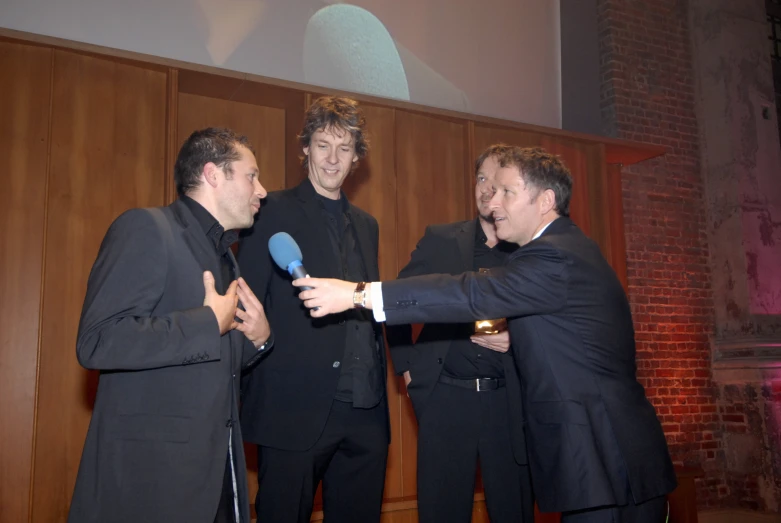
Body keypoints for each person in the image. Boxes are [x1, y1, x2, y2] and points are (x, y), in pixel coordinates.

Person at [293, 146, 678, 523]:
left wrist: (357, 293)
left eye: (508, 192)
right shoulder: (569, 247)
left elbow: (469, 293)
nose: (495, 201)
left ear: (545, 200)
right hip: (607, 459)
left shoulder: (553, 255)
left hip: (604, 459)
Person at [68, 127, 272, 523]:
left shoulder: (226, 257)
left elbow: (205, 363)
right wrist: (207, 323)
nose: (261, 190)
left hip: (216, 478)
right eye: (252, 175)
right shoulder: (146, 228)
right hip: (153, 484)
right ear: (214, 175)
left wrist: (258, 340)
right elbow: (97, 341)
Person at [237, 96, 389, 523]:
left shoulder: (368, 225)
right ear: (305, 147)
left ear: (356, 156)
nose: (332, 158)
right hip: (294, 409)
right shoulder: (270, 211)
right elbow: (244, 302)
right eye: (323, 144)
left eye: (345, 148)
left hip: (367, 412)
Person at [386, 144, 533, 522]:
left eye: (497, 181)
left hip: (508, 401)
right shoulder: (442, 239)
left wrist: (517, 340)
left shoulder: (530, 249)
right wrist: (405, 367)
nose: (486, 189)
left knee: (513, 510)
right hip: (447, 399)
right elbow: (396, 299)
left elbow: (552, 318)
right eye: (481, 178)